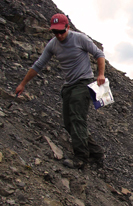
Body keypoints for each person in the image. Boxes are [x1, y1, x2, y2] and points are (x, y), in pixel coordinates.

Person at [15, 13, 105, 169]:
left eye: (61, 31)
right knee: (69, 123)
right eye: (55, 32)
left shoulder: (79, 39)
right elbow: (38, 65)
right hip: (69, 86)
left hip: (83, 83)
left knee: (77, 119)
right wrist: (23, 84)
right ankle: (96, 153)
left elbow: (99, 54)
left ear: (67, 27)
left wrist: (101, 74)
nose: (58, 35)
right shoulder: (53, 44)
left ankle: (81, 159)